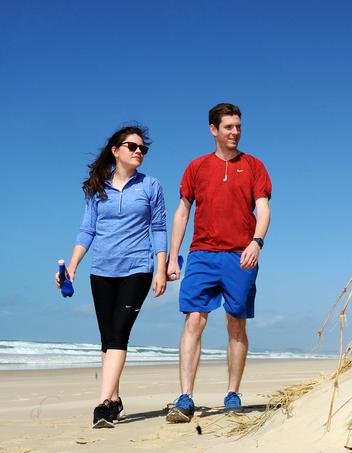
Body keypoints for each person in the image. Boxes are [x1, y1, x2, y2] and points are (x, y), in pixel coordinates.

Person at [55, 125, 168, 428]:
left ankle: (103, 404)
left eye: (143, 148)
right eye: (133, 147)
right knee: (107, 338)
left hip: (137, 269)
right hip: (101, 270)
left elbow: (158, 229)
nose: (139, 152)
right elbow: (87, 230)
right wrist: (73, 266)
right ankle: (115, 399)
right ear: (116, 150)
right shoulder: (98, 188)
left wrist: (160, 268)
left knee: (119, 332)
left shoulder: (151, 186)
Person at [166, 103, 271, 422]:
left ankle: (233, 393)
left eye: (238, 126)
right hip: (201, 254)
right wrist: (173, 256)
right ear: (214, 129)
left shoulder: (253, 165)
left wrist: (257, 241)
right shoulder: (196, 167)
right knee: (194, 320)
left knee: (235, 322)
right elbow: (182, 212)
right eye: (228, 127)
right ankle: (185, 397)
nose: (235, 132)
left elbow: (263, 208)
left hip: (241, 254)